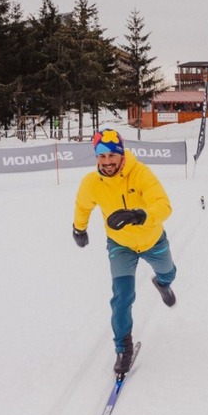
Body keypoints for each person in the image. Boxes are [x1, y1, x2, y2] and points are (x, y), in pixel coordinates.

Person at [73, 128, 177, 377]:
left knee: (169, 272)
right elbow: (83, 205)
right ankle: (123, 348)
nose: (107, 162)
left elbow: (164, 206)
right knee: (122, 297)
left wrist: (139, 215)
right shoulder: (91, 182)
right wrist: (79, 229)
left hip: (151, 239)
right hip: (120, 245)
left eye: (112, 156)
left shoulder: (140, 173)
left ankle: (162, 283)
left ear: (121, 154)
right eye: (101, 157)